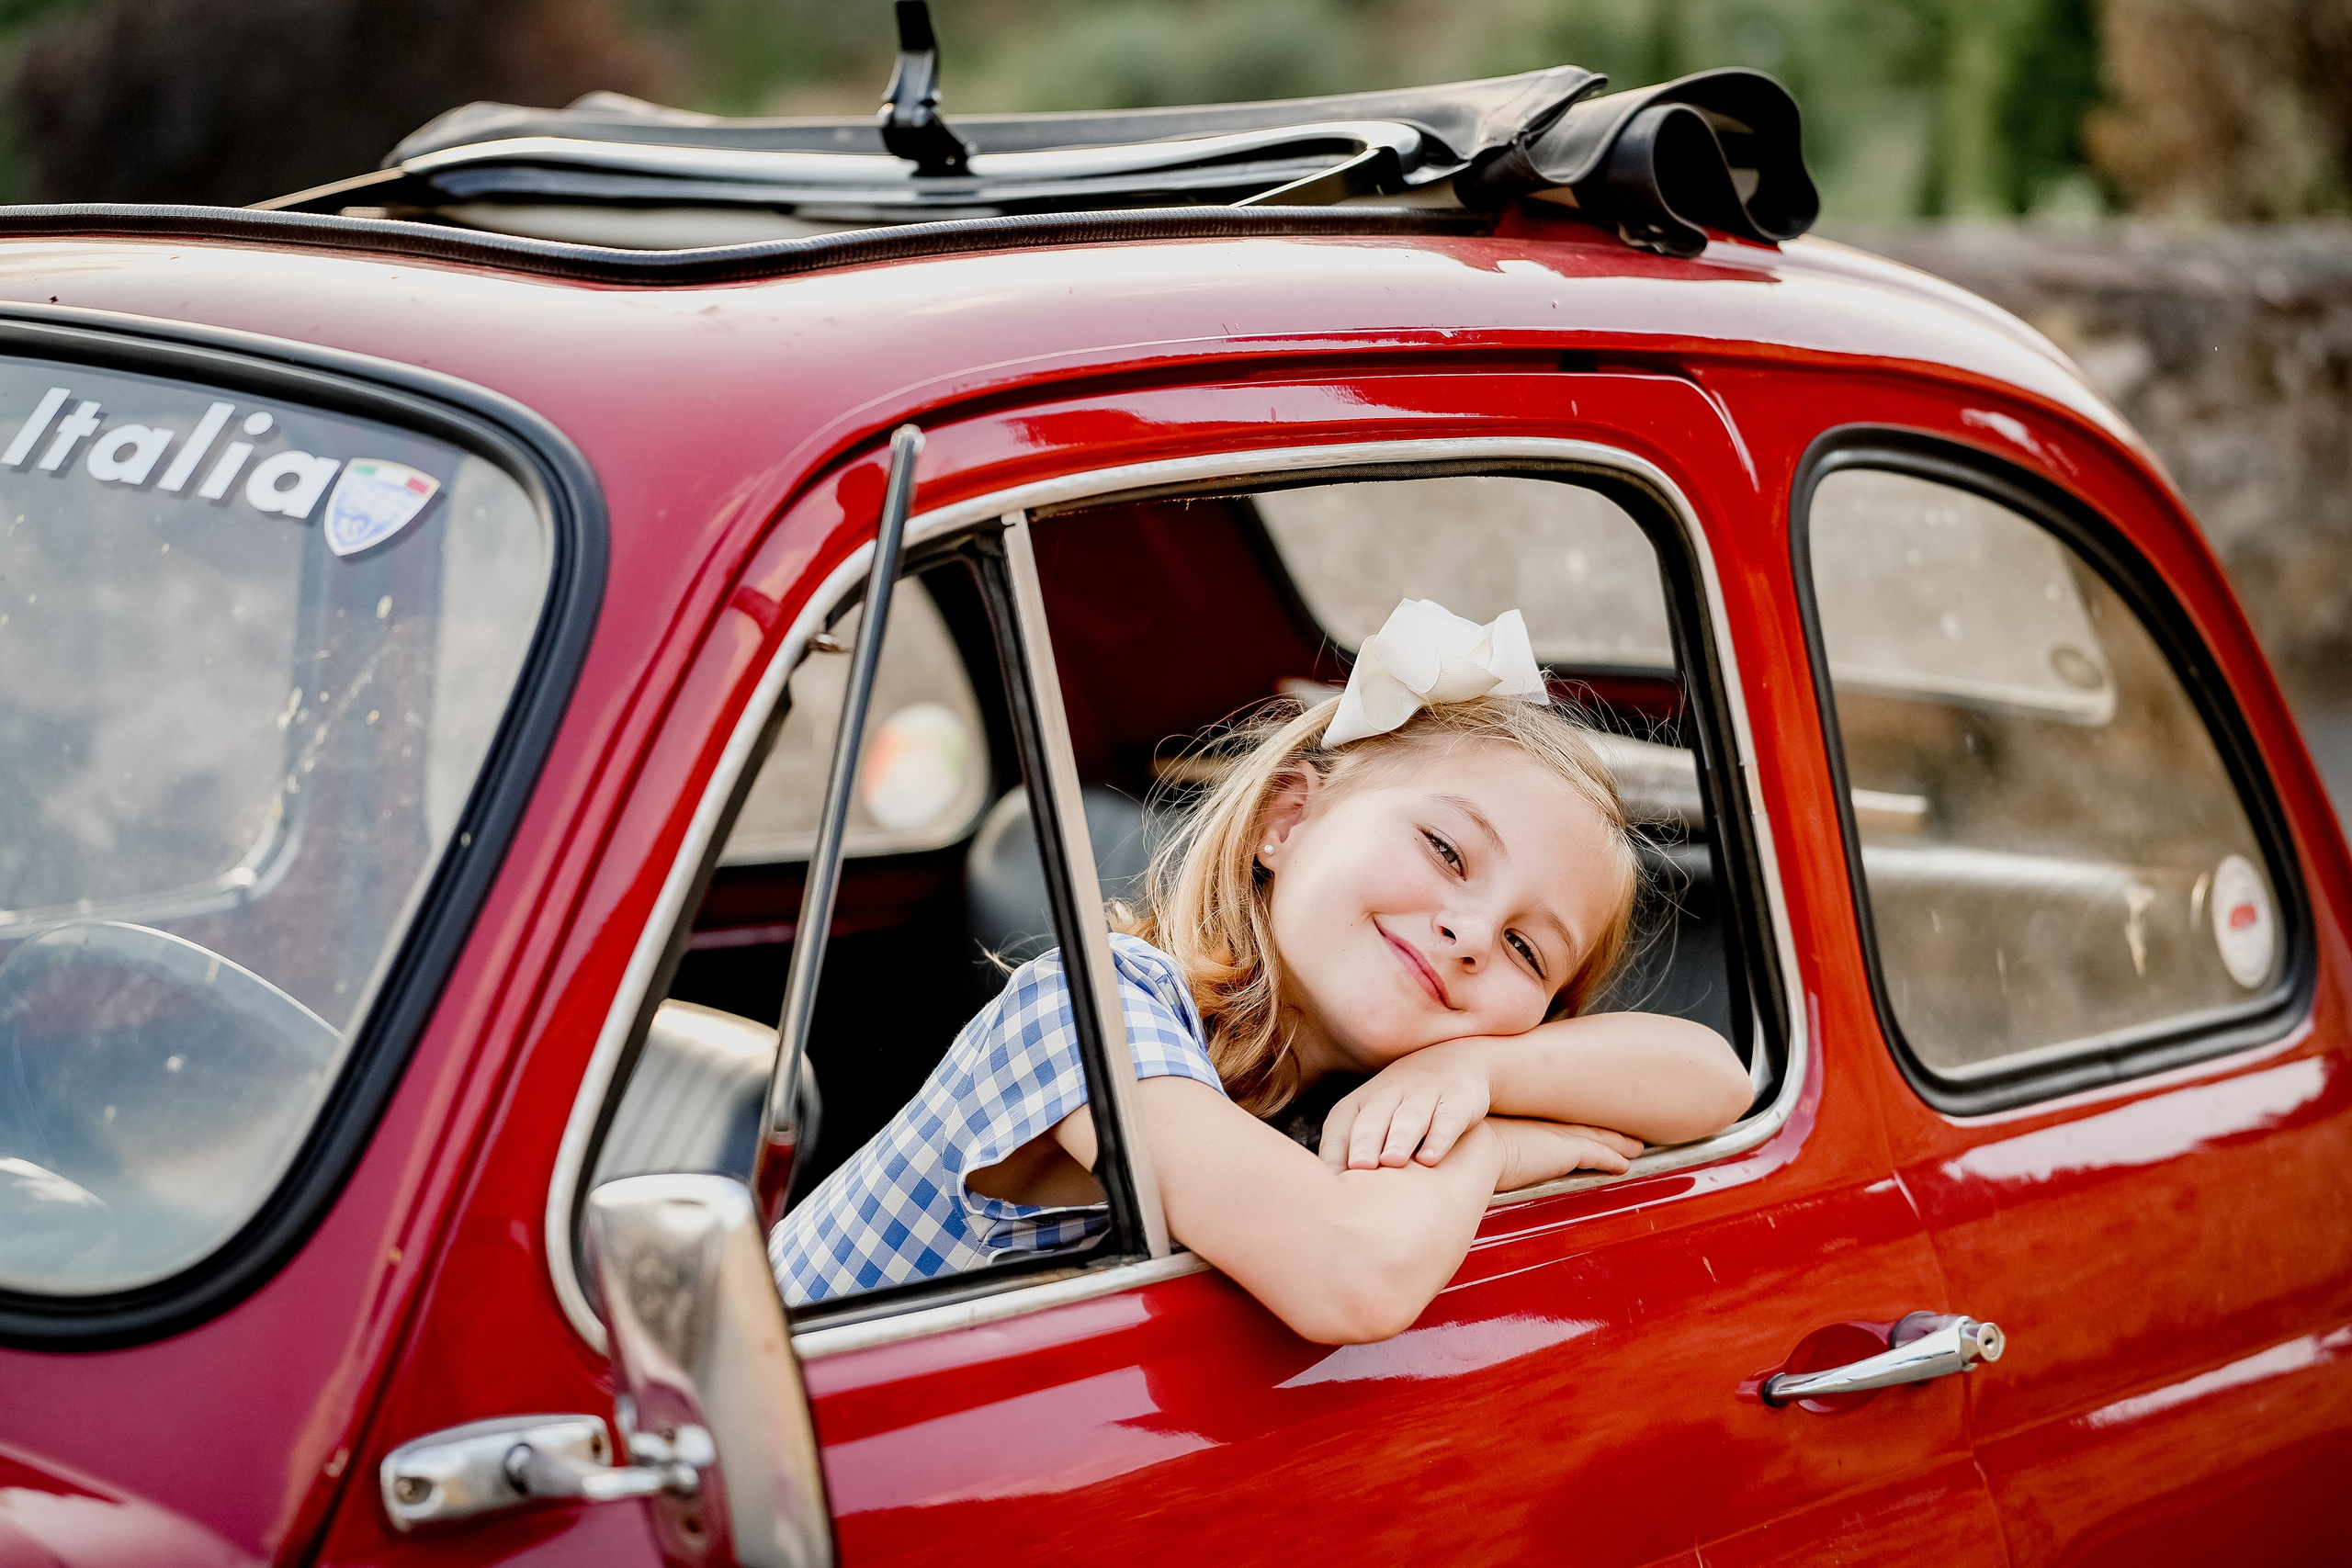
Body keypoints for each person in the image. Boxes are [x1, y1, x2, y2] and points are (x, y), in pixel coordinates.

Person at [772, 598, 1755, 1343]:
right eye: (1448, 853)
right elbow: (1351, 1277)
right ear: (1287, 821)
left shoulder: (1341, 1099)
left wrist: (1480, 1074)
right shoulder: (1090, 1005)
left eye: (1526, 949)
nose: (1468, 932)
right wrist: (1491, 1147)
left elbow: (1714, 1081)